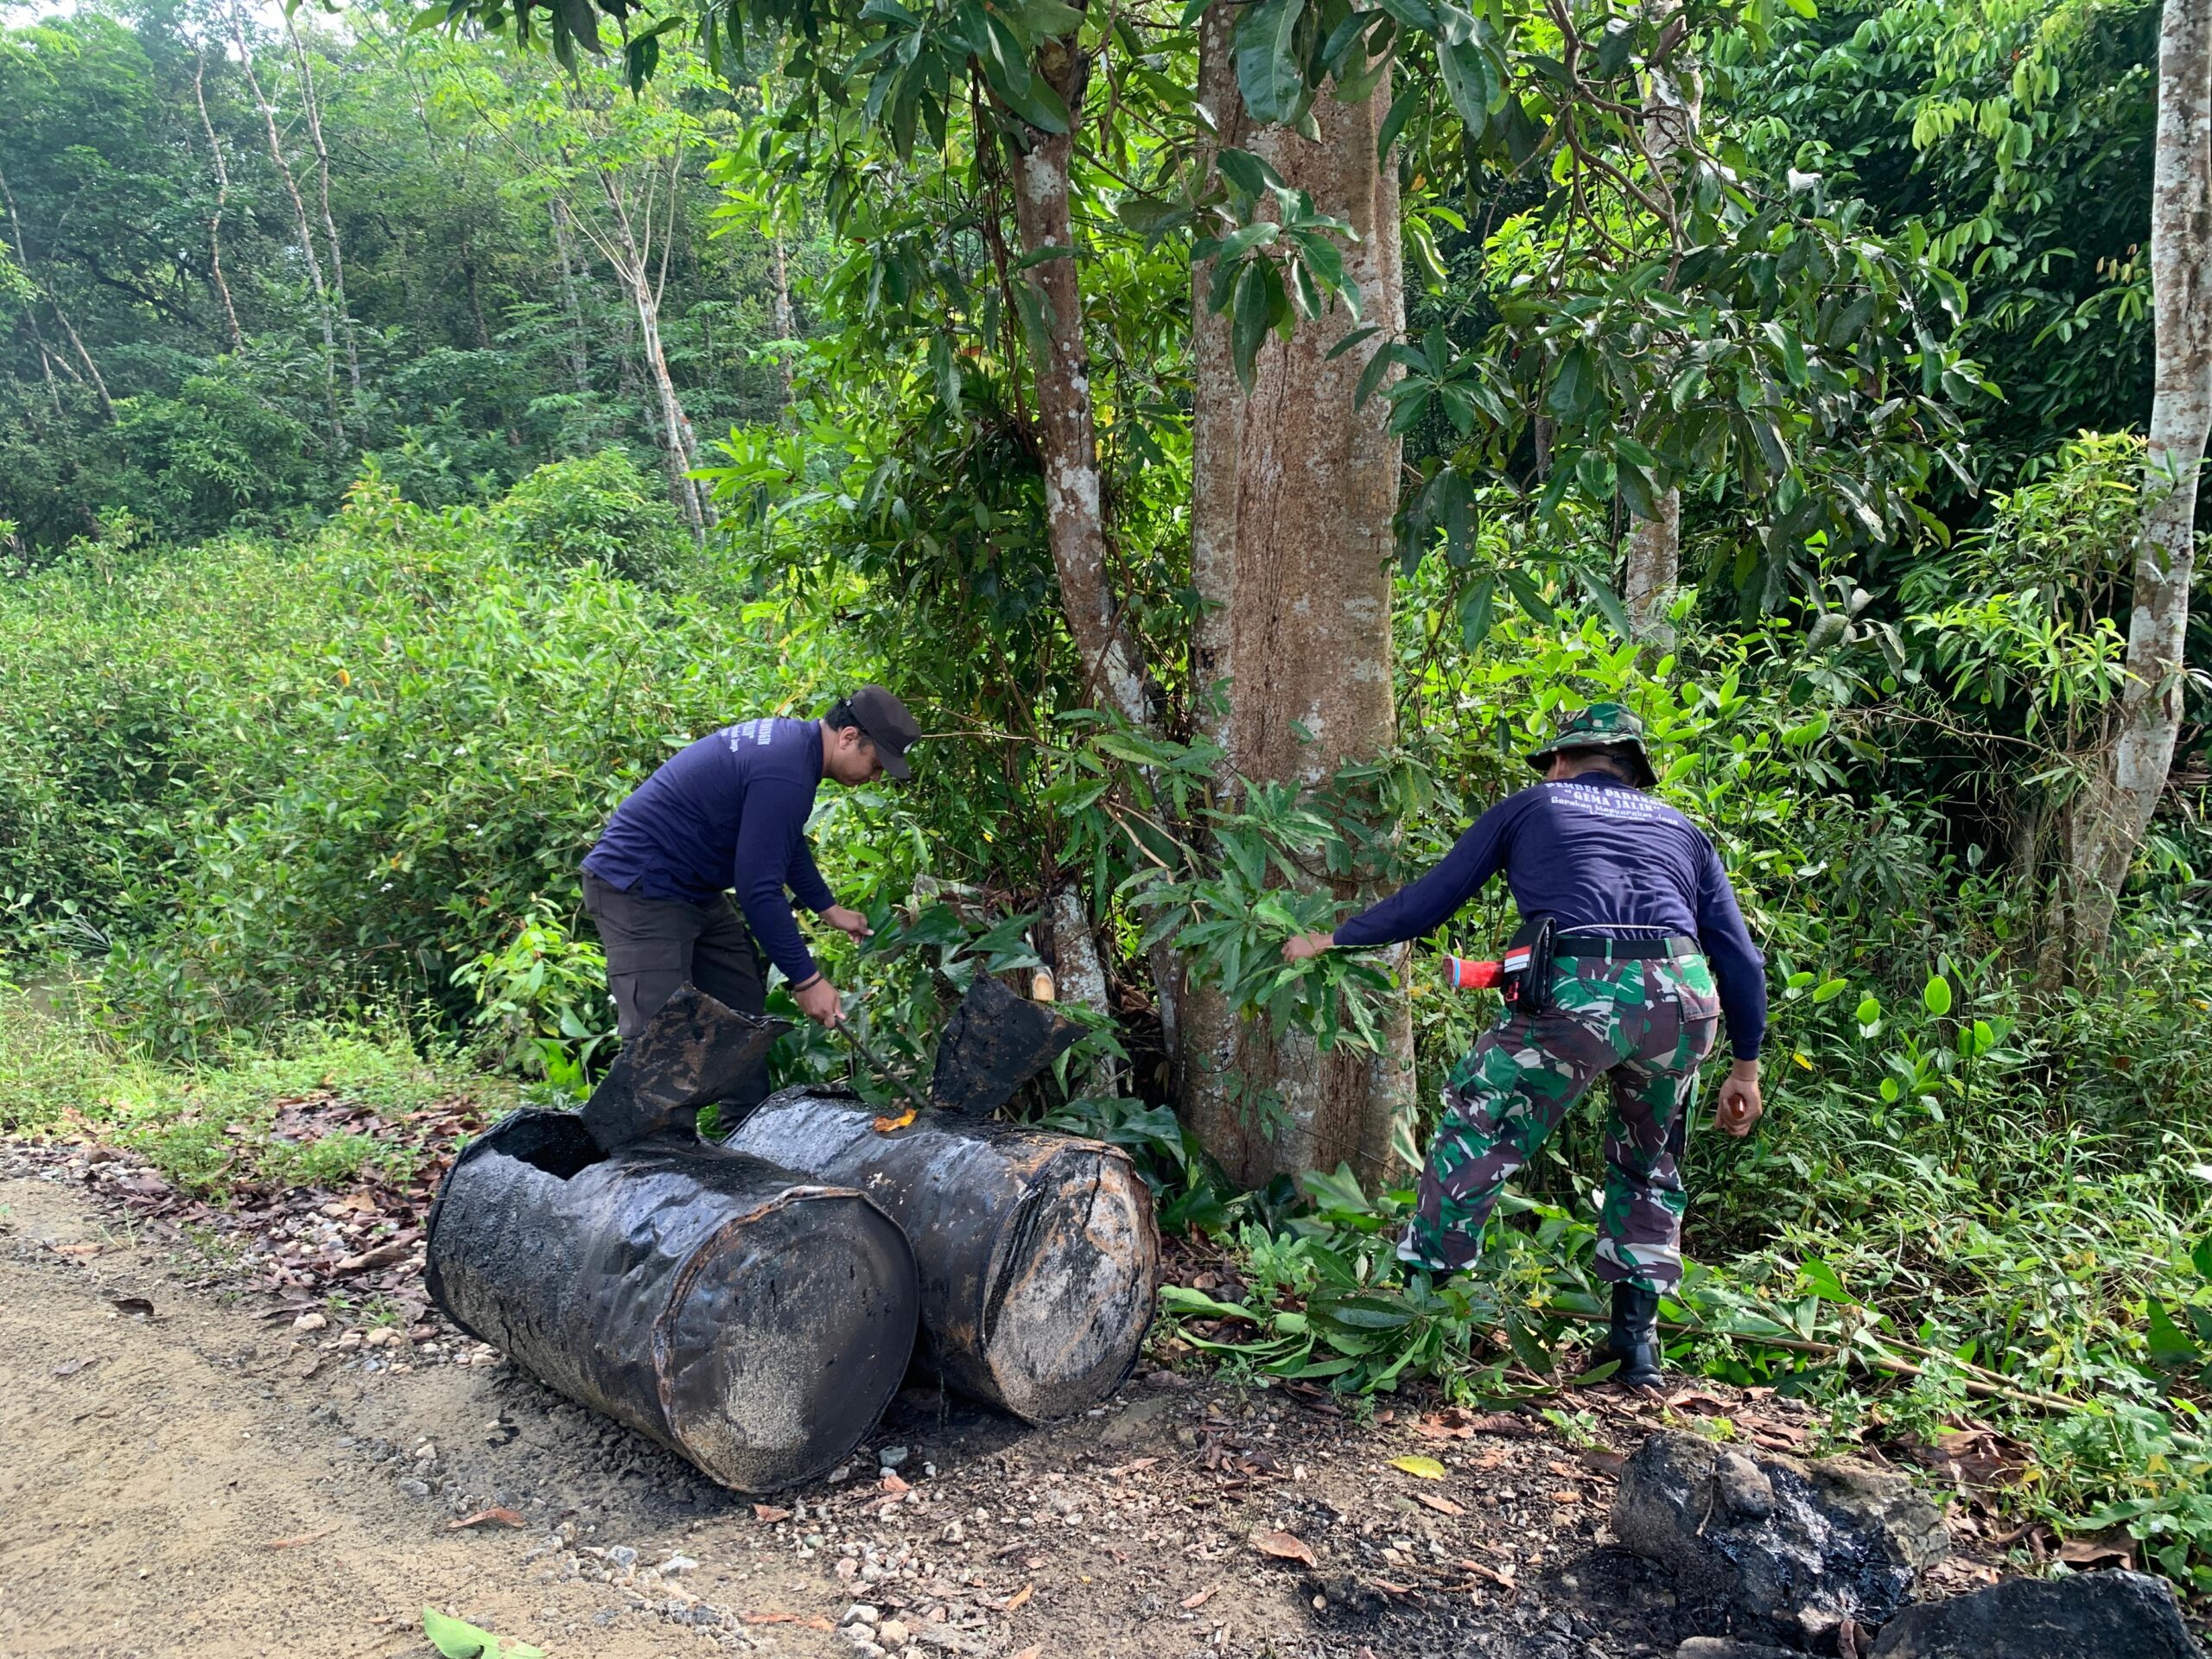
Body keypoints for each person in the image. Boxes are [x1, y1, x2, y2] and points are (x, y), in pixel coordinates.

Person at [1281, 702, 1766, 1390]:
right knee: (1650, 1165)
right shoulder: (1684, 830)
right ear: (1634, 772)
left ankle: (1423, 1320)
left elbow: (1433, 898)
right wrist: (1745, 1067)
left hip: (1580, 989)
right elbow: (1741, 959)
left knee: (1478, 1132)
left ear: (1563, 761)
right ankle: (1636, 1354)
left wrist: (1333, 939)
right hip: (1682, 998)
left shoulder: (1533, 805)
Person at [581, 686, 921, 1122]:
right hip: (638, 886)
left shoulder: (794, 753)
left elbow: (783, 839)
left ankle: (746, 1140)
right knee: (660, 1038)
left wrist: (827, 908)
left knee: (741, 1013)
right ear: (849, 737)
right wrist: (807, 980)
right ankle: (650, 1166)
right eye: (876, 765)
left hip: (691, 888)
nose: (875, 778)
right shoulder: (785, 769)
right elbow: (758, 889)